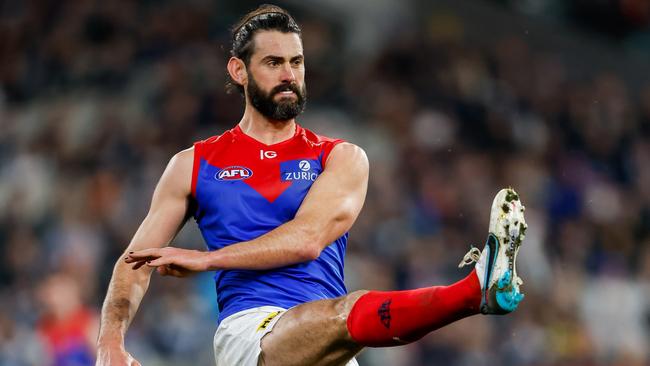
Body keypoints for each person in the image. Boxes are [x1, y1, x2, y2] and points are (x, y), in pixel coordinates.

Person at [95, 5, 527, 366]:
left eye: (296, 62)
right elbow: (134, 263)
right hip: (253, 334)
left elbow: (307, 240)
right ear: (238, 70)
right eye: (273, 62)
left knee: (338, 318)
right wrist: (110, 342)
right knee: (343, 314)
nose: (288, 74)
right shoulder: (192, 164)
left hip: (328, 345)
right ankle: (472, 292)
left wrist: (206, 260)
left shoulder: (341, 158)